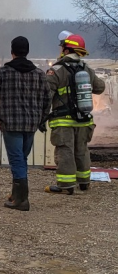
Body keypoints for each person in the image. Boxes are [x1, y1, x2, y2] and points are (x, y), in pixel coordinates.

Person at [0, 36, 52, 211]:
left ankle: (22, 201)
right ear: (27, 52)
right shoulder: (39, 74)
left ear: (12, 51)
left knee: (17, 161)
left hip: (10, 125)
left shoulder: (2, 73)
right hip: (30, 125)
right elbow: (47, 101)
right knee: (21, 159)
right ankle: (16, 195)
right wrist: (40, 120)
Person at [44, 33, 107, 194]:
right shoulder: (87, 69)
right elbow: (100, 87)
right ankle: (84, 182)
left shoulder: (56, 71)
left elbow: (45, 96)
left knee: (65, 151)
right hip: (84, 120)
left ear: (66, 49)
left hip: (63, 121)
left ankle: (66, 185)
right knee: (82, 150)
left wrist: (41, 117)